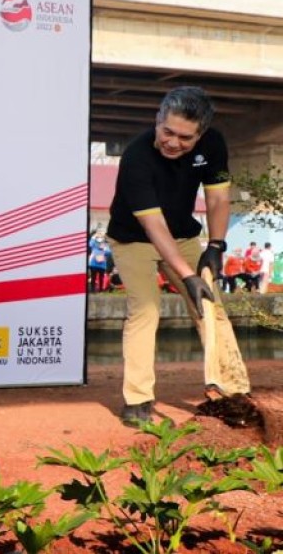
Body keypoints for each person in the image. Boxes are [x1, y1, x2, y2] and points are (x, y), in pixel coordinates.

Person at [106, 86, 250, 428]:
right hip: (133, 239)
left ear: (200, 134)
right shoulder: (137, 156)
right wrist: (187, 274)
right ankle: (137, 401)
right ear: (157, 120)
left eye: (185, 138)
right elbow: (154, 226)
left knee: (209, 306)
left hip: (184, 234)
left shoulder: (214, 145)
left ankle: (232, 394)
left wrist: (216, 245)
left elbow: (217, 198)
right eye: (167, 131)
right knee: (146, 310)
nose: (173, 142)